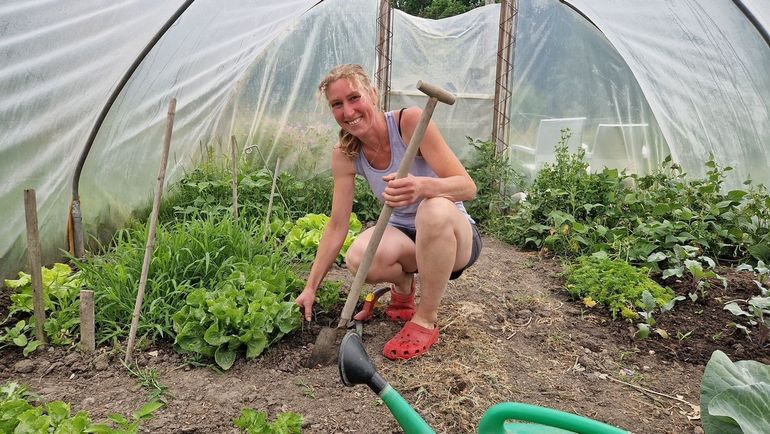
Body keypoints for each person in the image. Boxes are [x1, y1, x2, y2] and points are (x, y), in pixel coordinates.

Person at [295, 64, 482, 360]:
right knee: (359, 258)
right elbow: (337, 225)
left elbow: (467, 187)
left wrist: (422, 186)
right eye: (337, 104)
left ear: (372, 94)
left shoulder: (410, 123)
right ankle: (404, 286)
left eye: (354, 98)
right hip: (406, 239)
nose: (348, 111)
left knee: (432, 210)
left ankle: (425, 319)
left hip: (453, 234)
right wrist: (311, 287)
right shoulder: (346, 153)